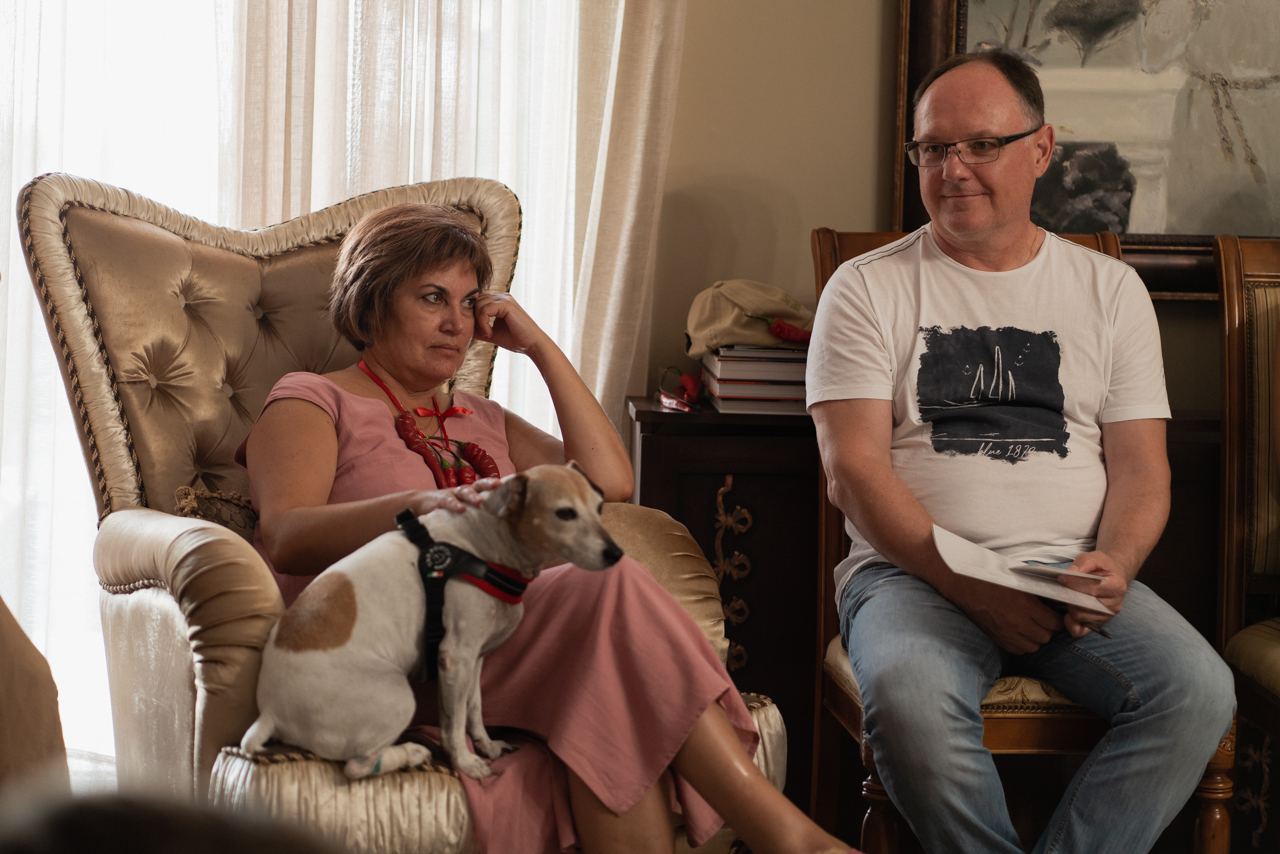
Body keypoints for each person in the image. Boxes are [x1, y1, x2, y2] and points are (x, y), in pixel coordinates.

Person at [235, 203, 851, 854]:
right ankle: (786, 834)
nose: (456, 323)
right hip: (392, 658)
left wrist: (538, 348)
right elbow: (289, 535)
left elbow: (608, 482)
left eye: (470, 302)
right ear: (370, 303)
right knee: (606, 593)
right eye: (432, 298)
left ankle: (788, 837)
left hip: (509, 639)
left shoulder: (483, 417)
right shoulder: (312, 398)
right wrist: (423, 505)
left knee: (610, 698)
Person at [806, 50, 1234, 854]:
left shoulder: (1109, 291)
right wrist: (966, 581)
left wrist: (1117, 562)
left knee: (1198, 691)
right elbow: (852, 471)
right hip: (910, 576)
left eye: (980, 144)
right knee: (908, 701)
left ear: (1041, 150)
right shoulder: (865, 288)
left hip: (1067, 574)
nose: (953, 169)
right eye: (934, 148)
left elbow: (1142, 467)